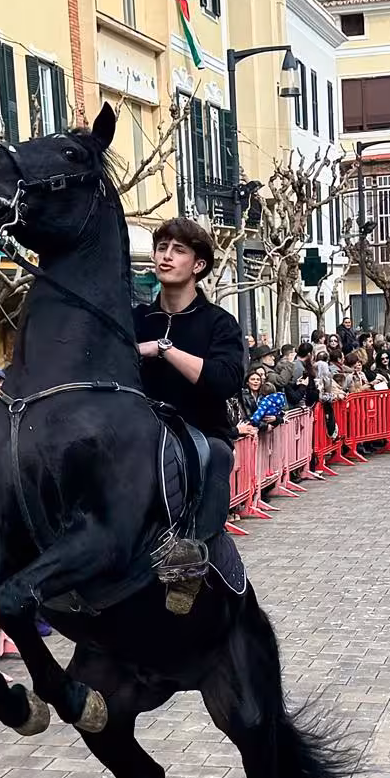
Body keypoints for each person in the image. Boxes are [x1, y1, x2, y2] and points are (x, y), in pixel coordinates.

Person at [132, 218, 248, 574]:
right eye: (162, 248)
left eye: (178, 250)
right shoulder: (135, 318)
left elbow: (225, 380)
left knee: (216, 454)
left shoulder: (219, 323)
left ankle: (193, 556)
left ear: (198, 265)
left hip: (199, 434)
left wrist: (164, 349)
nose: (166, 257)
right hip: (138, 434)